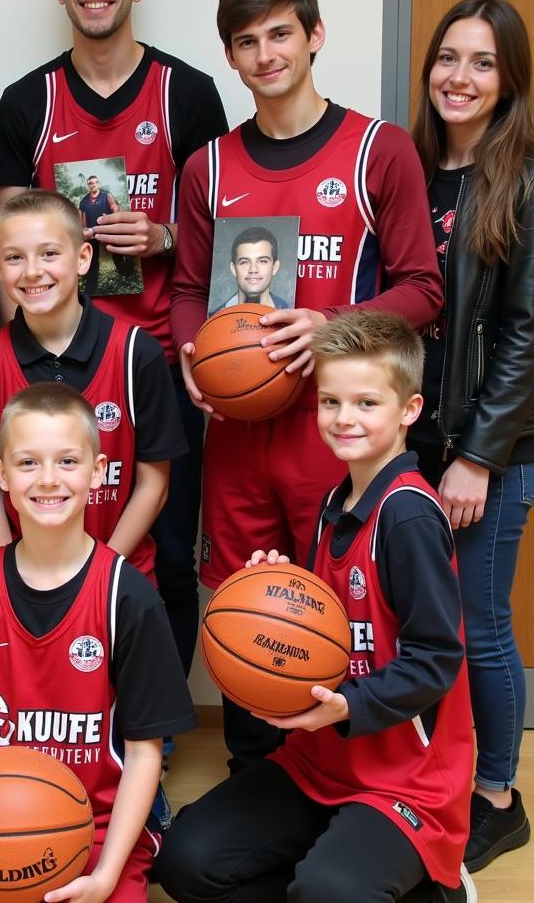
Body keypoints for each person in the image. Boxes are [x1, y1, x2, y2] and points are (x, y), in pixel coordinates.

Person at [171, 0, 442, 770]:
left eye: (280, 33)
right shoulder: (207, 167)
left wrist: (331, 325)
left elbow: (424, 287)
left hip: (340, 433)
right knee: (252, 617)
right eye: (247, 42)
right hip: (241, 439)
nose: (266, 54)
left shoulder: (377, 150)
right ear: (231, 55)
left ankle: (349, 783)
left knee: (337, 618)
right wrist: (193, 353)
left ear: (314, 35)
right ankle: (256, 782)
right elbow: (188, 288)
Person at [0, 0, 228, 688]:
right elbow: (5, 249)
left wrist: (161, 238)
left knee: (166, 557)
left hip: (155, 362)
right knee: (43, 551)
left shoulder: (187, 95)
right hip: (49, 366)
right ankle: (57, 717)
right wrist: (4, 359)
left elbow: (228, 241)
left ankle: (149, 727)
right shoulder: (27, 103)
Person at [155, 311, 475, 903]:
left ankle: (436, 889)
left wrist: (346, 707)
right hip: (320, 761)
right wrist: (277, 591)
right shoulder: (336, 498)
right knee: (183, 862)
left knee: (329, 892)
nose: (343, 418)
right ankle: (340, 873)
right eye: (330, 401)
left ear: (408, 411)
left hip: (404, 780)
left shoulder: (406, 514)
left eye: (365, 403)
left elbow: (437, 661)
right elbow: (328, 618)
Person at [0, 383, 195, 903]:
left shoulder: (127, 597)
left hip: (98, 831)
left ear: (99, 470)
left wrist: (106, 875)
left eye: (67, 461)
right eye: (27, 463)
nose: (47, 480)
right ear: (0, 476)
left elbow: (144, 753)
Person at [408, 0, 534, 873]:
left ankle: (498, 795)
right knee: (426, 620)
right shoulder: (408, 167)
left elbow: (527, 332)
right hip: (415, 437)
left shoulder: (521, 179)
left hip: (495, 447)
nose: (460, 77)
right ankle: (434, 773)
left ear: (510, 80)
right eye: (449, 57)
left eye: (483, 63)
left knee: (480, 623)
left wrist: (481, 454)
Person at [0, 189, 186, 585]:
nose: (33, 271)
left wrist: (100, 575)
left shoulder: (137, 353)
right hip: (25, 581)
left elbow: (153, 484)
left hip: (118, 574)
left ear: (83, 258)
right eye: (15, 257)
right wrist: (13, 580)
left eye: (50, 253)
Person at [213, 225, 289, 312]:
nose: (253, 270)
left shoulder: (289, 314)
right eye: (244, 262)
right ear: (233, 269)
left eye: (263, 261)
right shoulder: (213, 318)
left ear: (275, 267)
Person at [78, 175, 128, 284]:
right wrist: (83, 230)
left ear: (98, 183)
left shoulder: (106, 195)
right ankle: (91, 286)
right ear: (88, 185)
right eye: (91, 183)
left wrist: (112, 218)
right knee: (92, 258)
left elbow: (115, 207)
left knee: (117, 253)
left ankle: (125, 275)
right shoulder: (84, 201)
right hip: (92, 233)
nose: (93, 184)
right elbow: (82, 218)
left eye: (95, 182)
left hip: (107, 229)